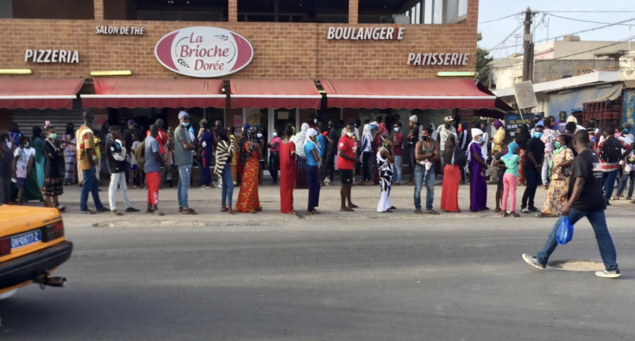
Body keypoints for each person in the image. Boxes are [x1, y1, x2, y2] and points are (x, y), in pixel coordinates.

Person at [522, 130, 621, 278]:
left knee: (559, 227)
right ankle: (611, 267)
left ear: (574, 143)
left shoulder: (581, 158)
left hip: (581, 203)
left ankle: (541, 259)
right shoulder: (595, 156)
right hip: (597, 202)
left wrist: (569, 204)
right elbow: (597, 179)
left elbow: (579, 183)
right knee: (602, 234)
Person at [77, 111, 107, 214]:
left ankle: (99, 206)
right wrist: (92, 162)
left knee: (94, 185)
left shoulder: (80, 130)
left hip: (82, 160)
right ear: (91, 119)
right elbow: (88, 149)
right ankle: (83, 207)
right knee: (86, 185)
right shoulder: (88, 132)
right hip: (87, 162)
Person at [538, 134, 574, 217]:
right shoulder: (556, 151)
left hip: (563, 177)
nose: (555, 142)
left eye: (557, 140)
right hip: (554, 176)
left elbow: (570, 161)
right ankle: (547, 210)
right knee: (550, 194)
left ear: (563, 142)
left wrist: (559, 165)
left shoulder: (567, 150)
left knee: (561, 196)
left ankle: (561, 211)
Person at [106, 126, 139, 216]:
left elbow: (122, 152)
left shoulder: (117, 143)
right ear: (112, 132)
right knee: (113, 187)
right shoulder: (110, 143)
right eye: (117, 131)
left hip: (121, 167)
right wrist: (123, 157)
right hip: (115, 167)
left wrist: (123, 149)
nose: (120, 133)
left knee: (124, 187)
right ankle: (113, 208)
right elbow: (116, 156)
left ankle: (128, 206)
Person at [597, 124, 633, 205]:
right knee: (610, 184)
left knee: (600, 183)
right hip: (614, 166)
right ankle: (606, 200)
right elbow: (629, 147)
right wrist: (622, 157)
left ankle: (598, 199)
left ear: (605, 132)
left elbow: (598, 154)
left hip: (602, 166)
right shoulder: (619, 141)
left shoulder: (602, 142)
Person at [174, 111, 197, 214]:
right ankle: (185, 207)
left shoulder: (185, 130)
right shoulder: (180, 130)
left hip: (185, 160)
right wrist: (193, 146)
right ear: (180, 119)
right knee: (184, 184)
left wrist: (191, 145)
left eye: (187, 119)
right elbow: (186, 146)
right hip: (183, 161)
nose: (186, 120)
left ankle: (181, 205)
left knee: (181, 184)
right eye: (184, 118)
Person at [414, 127, 440, 215]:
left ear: (429, 134)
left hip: (430, 168)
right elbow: (417, 156)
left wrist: (425, 158)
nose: (423, 135)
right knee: (418, 188)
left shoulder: (435, 143)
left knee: (430, 188)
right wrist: (429, 155)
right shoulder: (419, 143)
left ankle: (429, 208)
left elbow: (437, 156)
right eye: (422, 134)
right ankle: (417, 207)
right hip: (419, 168)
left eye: (425, 134)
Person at [236, 128, 262, 213]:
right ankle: (251, 206)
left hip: (247, 166)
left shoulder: (246, 144)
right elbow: (260, 156)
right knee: (253, 186)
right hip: (254, 166)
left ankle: (243, 205)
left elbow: (243, 155)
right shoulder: (256, 145)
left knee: (245, 186)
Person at [521, 125, 545, 214]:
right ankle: (523, 205)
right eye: (538, 131)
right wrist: (536, 164)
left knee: (534, 186)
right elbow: (529, 154)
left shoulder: (541, 143)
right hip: (530, 166)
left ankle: (531, 205)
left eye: (541, 131)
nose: (539, 133)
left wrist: (540, 165)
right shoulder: (530, 142)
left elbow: (542, 155)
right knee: (529, 186)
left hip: (537, 167)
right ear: (535, 131)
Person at [41, 124, 65, 211]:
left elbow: (57, 154)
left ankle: (55, 205)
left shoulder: (54, 143)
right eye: (52, 132)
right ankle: (49, 205)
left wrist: (58, 154)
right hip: (50, 168)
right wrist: (58, 154)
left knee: (55, 189)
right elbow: (54, 155)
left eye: (55, 132)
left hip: (55, 167)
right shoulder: (46, 143)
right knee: (48, 188)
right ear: (47, 133)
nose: (54, 134)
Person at [145, 125, 165, 215]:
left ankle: (149, 206)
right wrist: (162, 162)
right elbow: (156, 154)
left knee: (150, 188)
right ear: (157, 132)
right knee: (155, 188)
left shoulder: (147, 139)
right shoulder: (154, 141)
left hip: (148, 166)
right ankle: (155, 207)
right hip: (154, 167)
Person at [214, 127, 235, 214]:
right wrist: (233, 141)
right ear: (223, 135)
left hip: (222, 166)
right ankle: (230, 207)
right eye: (227, 134)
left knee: (225, 187)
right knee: (231, 186)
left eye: (229, 133)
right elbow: (231, 151)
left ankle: (223, 206)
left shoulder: (223, 142)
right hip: (224, 166)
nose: (229, 135)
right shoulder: (222, 143)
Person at [338, 122, 358, 212]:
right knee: (344, 185)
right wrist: (353, 158)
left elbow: (353, 149)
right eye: (348, 129)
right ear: (345, 130)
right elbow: (341, 153)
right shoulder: (343, 139)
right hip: (344, 165)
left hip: (350, 165)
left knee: (349, 184)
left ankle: (349, 202)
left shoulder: (352, 139)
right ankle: (343, 205)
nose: (350, 131)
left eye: (351, 129)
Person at [440, 134, 463, 213]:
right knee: (453, 189)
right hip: (454, 168)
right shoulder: (456, 148)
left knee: (446, 188)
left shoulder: (445, 148)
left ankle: (445, 205)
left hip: (447, 167)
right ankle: (453, 207)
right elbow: (462, 159)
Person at [468, 128, 489, 212]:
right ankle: (475, 206)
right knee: (476, 187)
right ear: (476, 136)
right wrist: (484, 165)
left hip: (479, 167)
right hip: (476, 167)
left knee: (482, 186)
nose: (481, 137)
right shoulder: (473, 145)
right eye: (480, 136)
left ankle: (482, 204)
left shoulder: (478, 144)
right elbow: (476, 157)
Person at [500, 141, 520, 217]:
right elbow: (518, 162)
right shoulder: (516, 157)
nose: (518, 150)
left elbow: (499, 159)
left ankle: (503, 210)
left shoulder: (504, 157)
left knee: (505, 193)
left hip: (505, 174)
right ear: (514, 149)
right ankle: (512, 211)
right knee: (512, 193)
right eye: (517, 149)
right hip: (512, 175)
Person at [279, 124, 296, 214]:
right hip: (290, 168)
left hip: (283, 168)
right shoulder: (291, 144)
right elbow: (292, 154)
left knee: (283, 188)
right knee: (289, 188)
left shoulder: (281, 143)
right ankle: (289, 208)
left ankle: (284, 207)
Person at [377, 133, 395, 213]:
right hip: (385, 173)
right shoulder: (383, 150)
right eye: (388, 139)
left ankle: (387, 205)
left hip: (386, 172)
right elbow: (392, 159)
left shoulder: (384, 149)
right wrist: (392, 149)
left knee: (387, 189)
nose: (390, 141)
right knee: (384, 190)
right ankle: (381, 207)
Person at [304, 128, 321, 215]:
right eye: (315, 136)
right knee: (314, 187)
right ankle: (310, 208)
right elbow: (317, 158)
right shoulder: (312, 145)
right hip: (312, 166)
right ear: (311, 136)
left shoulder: (306, 144)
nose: (316, 137)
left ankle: (312, 206)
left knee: (315, 186)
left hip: (308, 165)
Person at [540, 117, 560, 189]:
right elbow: (556, 140)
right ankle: (552, 181)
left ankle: (544, 182)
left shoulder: (542, 132)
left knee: (544, 167)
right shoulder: (553, 132)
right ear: (550, 123)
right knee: (551, 166)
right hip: (551, 151)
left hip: (544, 151)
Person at [12, 136, 30, 205]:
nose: (26, 143)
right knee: (21, 188)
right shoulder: (18, 150)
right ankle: (19, 203)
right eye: (25, 141)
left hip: (23, 171)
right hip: (19, 171)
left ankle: (20, 201)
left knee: (22, 187)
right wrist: (14, 172)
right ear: (22, 142)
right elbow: (15, 160)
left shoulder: (22, 150)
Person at [198, 119, 213, 189]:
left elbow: (199, 142)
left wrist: (199, 135)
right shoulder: (209, 133)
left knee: (205, 167)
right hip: (208, 151)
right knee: (206, 167)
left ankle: (207, 182)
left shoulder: (205, 134)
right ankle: (208, 181)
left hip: (205, 152)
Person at [294, 123, 309, 189]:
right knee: (306, 170)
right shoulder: (308, 135)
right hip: (306, 154)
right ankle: (306, 184)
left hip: (299, 154)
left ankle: (299, 184)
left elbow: (294, 142)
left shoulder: (298, 135)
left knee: (299, 170)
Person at [322, 121, 338, 186]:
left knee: (326, 165)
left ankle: (322, 179)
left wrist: (326, 136)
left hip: (330, 151)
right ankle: (331, 180)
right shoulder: (333, 131)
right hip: (332, 150)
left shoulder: (332, 131)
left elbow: (331, 141)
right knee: (331, 166)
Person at [0, 132, 12, 204]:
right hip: (5, 171)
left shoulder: (3, 147)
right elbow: (8, 159)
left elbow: (7, 159)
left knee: (3, 189)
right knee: (5, 189)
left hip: (3, 171)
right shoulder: (5, 147)